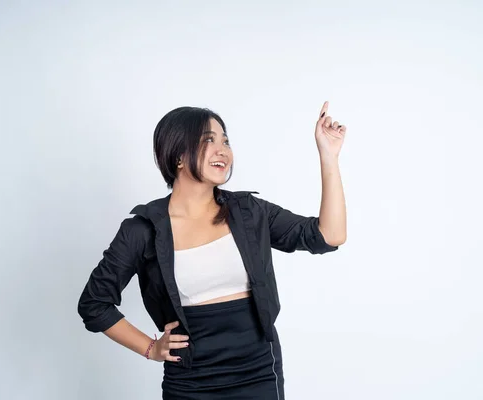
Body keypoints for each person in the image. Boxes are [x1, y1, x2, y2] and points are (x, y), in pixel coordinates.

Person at [77, 101, 347, 399]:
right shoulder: (143, 230)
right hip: (190, 382)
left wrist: (329, 156)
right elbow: (94, 304)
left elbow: (329, 236)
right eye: (209, 140)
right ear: (179, 155)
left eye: (226, 140)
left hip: (258, 374)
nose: (223, 150)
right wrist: (151, 348)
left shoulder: (250, 212)